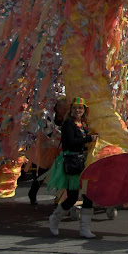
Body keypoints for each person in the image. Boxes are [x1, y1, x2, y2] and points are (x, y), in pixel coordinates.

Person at [46, 97, 98, 239]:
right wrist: (88, 139)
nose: (77, 111)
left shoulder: (83, 124)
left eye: (80, 108)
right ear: (71, 110)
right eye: (75, 108)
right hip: (73, 162)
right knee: (72, 196)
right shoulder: (68, 124)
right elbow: (70, 142)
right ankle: (55, 219)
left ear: (84, 110)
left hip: (83, 162)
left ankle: (85, 229)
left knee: (88, 196)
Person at [28, 97, 68, 205]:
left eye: (66, 108)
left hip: (60, 149)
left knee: (59, 172)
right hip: (47, 148)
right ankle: (33, 193)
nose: (65, 111)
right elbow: (48, 132)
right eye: (64, 108)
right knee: (42, 171)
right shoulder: (49, 117)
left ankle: (59, 197)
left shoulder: (67, 118)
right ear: (58, 108)